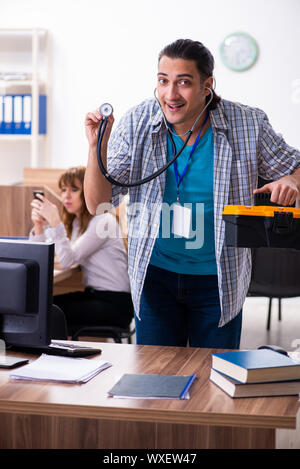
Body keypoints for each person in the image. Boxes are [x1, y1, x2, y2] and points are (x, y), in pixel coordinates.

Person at [83, 39, 300, 349]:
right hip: (155, 275)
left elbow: (296, 166)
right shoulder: (137, 122)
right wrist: (96, 147)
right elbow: (96, 204)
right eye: (163, 81)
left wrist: (292, 181)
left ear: (206, 85)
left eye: (183, 82)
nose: (171, 94)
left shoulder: (248, 124)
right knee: (154, 381)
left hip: (219, 278)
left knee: (215, 383)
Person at [29, 166, 133, 336]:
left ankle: (54, 359)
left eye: (74, 190)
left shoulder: (102, 221)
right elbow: (46, 255)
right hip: (95, 296)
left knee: (49, 311)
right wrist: (39, 227)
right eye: (63, 190)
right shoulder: (78, 223)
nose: (66, 196)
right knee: (42, 306)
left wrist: (55, 222)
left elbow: (66, 260)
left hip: (115, 304)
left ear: (87, 191)